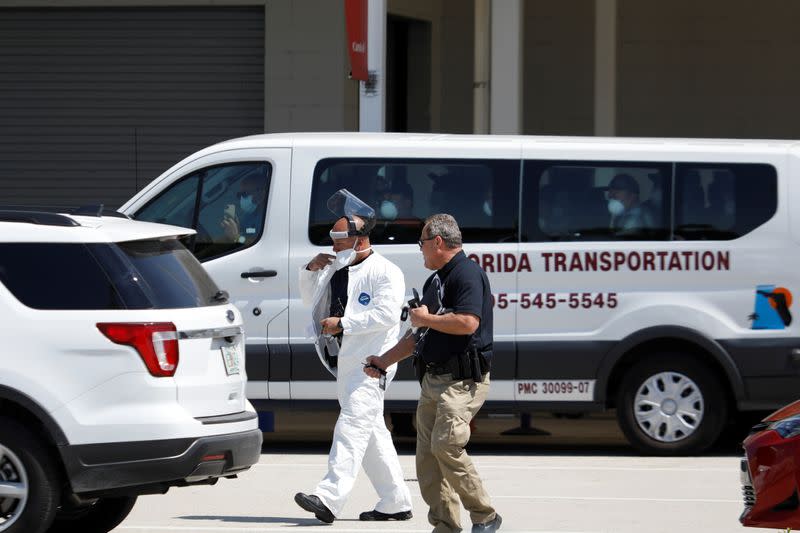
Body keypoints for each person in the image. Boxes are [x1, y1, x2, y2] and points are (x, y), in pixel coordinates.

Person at [365, 213, 502, 533]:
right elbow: (419, 337)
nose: (420, 249)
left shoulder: (466, 275)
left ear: (438, 242)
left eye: (422, 243)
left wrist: (427, 320)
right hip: (433, 380)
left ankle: (485, 516)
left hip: (462, 382)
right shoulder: (436, 280)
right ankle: (445, 526)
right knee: (427, 462)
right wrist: (382, 361)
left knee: (446, 446)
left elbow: (468, 323)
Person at [294, 189, 413, 524]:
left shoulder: (385, 271)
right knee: (372, 433)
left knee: (350, 428)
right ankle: (396, 500)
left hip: (372, 365)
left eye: (339, 240)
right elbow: (310, 301)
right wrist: (310, 269)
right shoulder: (336, 268)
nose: (333, 247)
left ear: (360, 240)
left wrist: (343, 323)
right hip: (346, 363)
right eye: (331, 239)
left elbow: (387, 315)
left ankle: (329, 498)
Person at [221, 174, 267, 244]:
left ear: (261, 192)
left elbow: (260, 244)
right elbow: (251, 230)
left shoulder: (270, 217)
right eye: (240, 195)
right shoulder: (249, 216)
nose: (242, 198)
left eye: (245, 194)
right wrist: (237, 228)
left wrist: (237, 237)